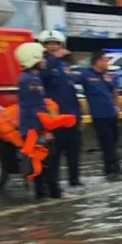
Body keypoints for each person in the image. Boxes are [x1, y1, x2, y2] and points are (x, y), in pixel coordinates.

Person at [15, 43, 62, 200]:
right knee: (47, 168)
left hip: (34, 131)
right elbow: (33, 110)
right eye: (42, 57)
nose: (44, 60)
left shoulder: (32, 79)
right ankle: (51, 199)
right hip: (36, 132)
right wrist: (45, 131)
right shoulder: (30, 81)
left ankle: (46, 199)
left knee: (42, 169)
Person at [37, 29, 83, 188]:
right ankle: (53, 186)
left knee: (74, 155)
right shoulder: (42, 65)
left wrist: (79, 116)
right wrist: (54, 59)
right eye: (48, 44)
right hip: (54, 121)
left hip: (71, 119)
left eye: (55, 43)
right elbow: (43, 77)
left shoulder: (65, 66)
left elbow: (71, 91)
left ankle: (75, 182)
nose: (52, 46)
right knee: (53, 157)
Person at [76, 50, 122, 177]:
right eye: (105, 60)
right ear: (97, 61)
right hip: (99, 116)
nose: (107, 62)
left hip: (112, 114)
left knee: (114, 140)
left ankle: (115, 164)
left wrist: (118, 106)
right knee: (106, 141)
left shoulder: (107, 75)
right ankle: (110, 167)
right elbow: (70, 81)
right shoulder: (85, 74)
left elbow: (114, 90)